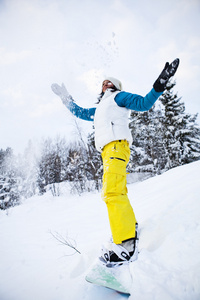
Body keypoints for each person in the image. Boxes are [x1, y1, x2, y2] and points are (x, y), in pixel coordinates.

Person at [51, 58, 180, 266]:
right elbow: (80, 113)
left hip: (116, 147)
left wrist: (161, 81)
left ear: (116, 86)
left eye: (109, 82)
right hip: (108, 151)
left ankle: (126, 245)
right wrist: (66, 98)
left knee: (111, 192)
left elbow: (145, 103)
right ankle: (130, 228)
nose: (105, 84)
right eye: (103, 83)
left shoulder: (119, 98)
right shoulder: (100, 108)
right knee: (118, 191)